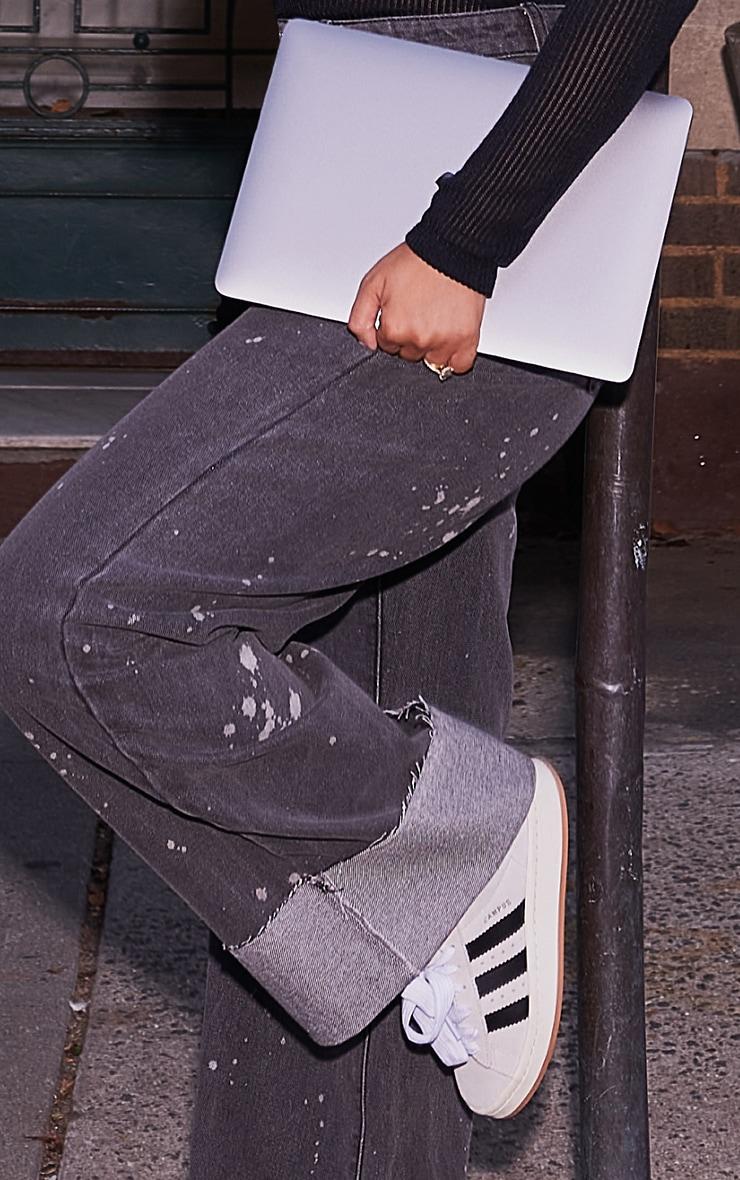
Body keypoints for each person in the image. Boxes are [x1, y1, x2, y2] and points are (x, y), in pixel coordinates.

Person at [0, 1, 697, 1176]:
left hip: (487, 195)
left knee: (75, 615)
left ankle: (457, 832)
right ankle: (434, 853)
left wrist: (469, 235)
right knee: (336, 923)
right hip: (345, 153)